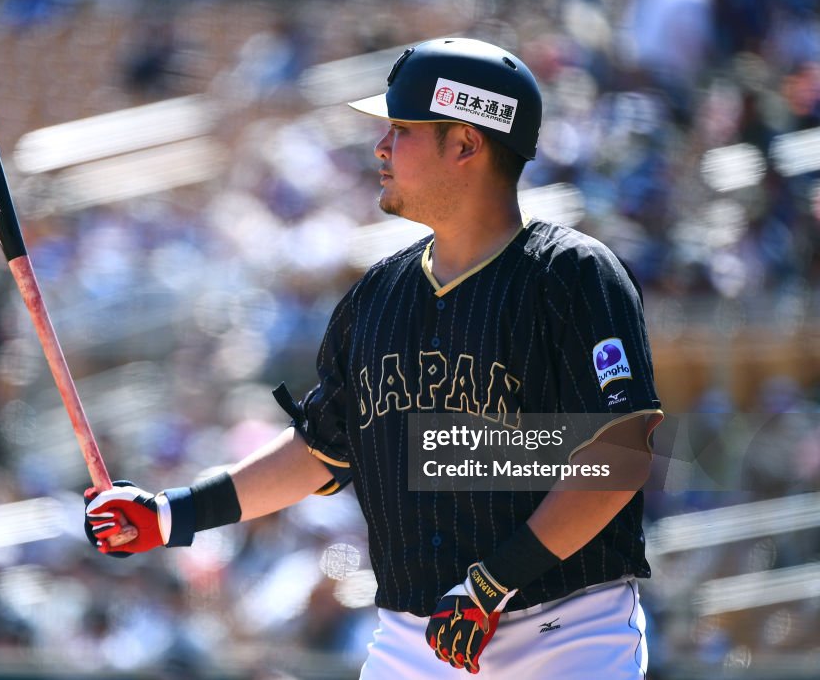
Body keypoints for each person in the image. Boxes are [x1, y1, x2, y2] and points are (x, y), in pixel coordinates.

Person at [84, 38, 664, 678]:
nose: (381, 148)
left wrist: (494, 583)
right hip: (415, 640)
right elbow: (322, 450)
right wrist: (172, 514)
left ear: (466, 144)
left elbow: (619, 455)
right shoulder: (377, 296)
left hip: (564, 629)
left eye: (402, 129)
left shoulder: (573, 275)